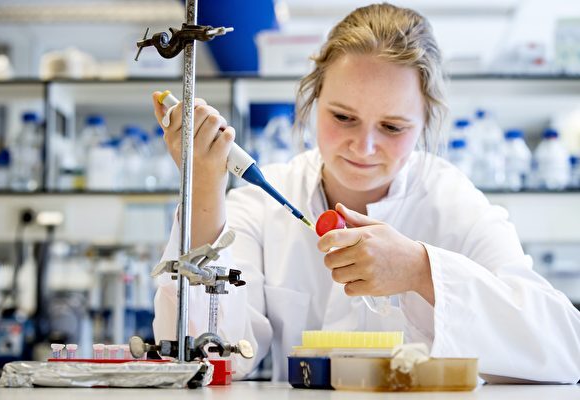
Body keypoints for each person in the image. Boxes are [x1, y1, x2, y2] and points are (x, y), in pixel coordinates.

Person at [151, 3, 580, 383]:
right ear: (314, 99)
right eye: (343, 117)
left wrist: (422, 271)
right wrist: (203, 188)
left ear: (425, 122)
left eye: (392, 127)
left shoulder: (453, 203)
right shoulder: (265, 201)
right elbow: (203, 357)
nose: (364, 146)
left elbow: (565, 348)